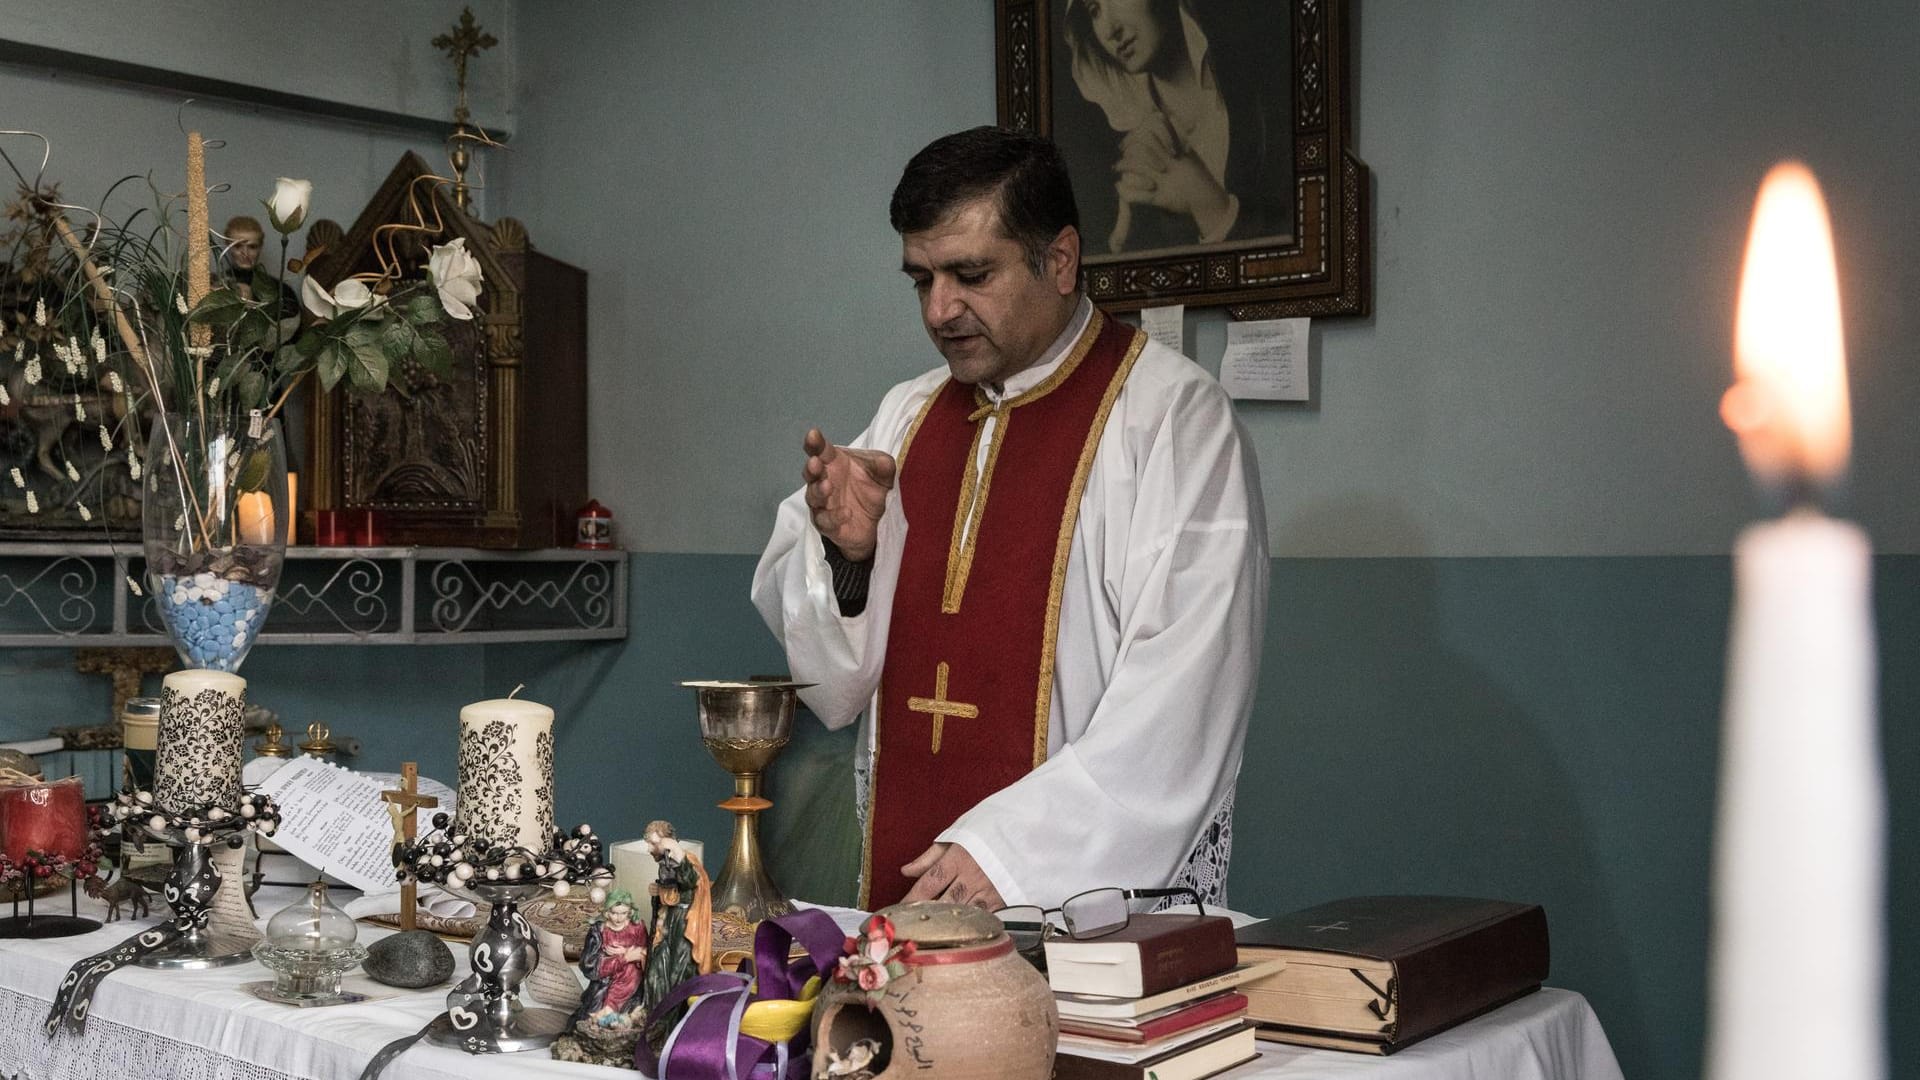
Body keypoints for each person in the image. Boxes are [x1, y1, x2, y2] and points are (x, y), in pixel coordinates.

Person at [751, 126, 1267, 914]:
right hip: (909, 875)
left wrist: (1009, 851)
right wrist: (848, 556)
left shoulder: (1171, 417)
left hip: (1077, 896)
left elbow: (1188, 690)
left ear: (1059, 260)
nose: (939, 308)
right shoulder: (907, 414)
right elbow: (836, 688)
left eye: (970, 274)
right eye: (920, 279)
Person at [1058, 0, 1291, 255]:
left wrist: (1208, 204)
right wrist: (1124, 241)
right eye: (1095, 11)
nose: (1110, 30)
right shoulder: (1124, 151)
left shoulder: (1268, 83)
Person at [639, 820, 713, 1039]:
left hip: (684, 925)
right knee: (655, 975)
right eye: (649, 843)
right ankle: (656, 1025)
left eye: (653, 843)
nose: (649, 849)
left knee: (677, 975)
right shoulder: (665, 860)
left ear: (667, 842)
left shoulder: (684, 859)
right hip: (668, 922)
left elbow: (691, 881)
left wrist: (677, 853)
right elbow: (671, 890)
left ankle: (675, 1031)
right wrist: (659, 892)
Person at [572, 889, 649, 1029]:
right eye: (614, 913)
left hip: (632, 987)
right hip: (604, 983)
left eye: (623, 913)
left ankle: (613, 1014)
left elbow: (645, 955)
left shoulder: (637, 927)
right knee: (591, 1019)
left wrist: (628, 952)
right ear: (607, 912)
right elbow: (589, 965)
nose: (618, 918)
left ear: (630, 912)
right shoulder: (599, 931)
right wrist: (624, 958)